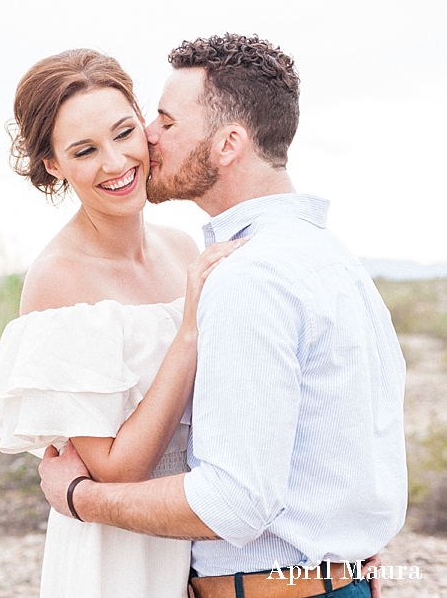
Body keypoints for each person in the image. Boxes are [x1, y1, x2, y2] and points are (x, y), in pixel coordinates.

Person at [38, 34, 407, 598]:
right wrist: (345, 553)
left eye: (162, 122)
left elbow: (232, 501)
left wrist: (79, 499)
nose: (147, 139)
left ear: (228, 143)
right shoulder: (330, 258)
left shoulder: (244, 275)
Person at [0, 48, 244, 598]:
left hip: (207, 533)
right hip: (120, 553)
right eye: (85, 150)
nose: (117, 163)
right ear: (53, 165)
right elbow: (115, 470)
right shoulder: (59, 279)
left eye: (124, 133)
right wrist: (189, 332)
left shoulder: (181, 245)